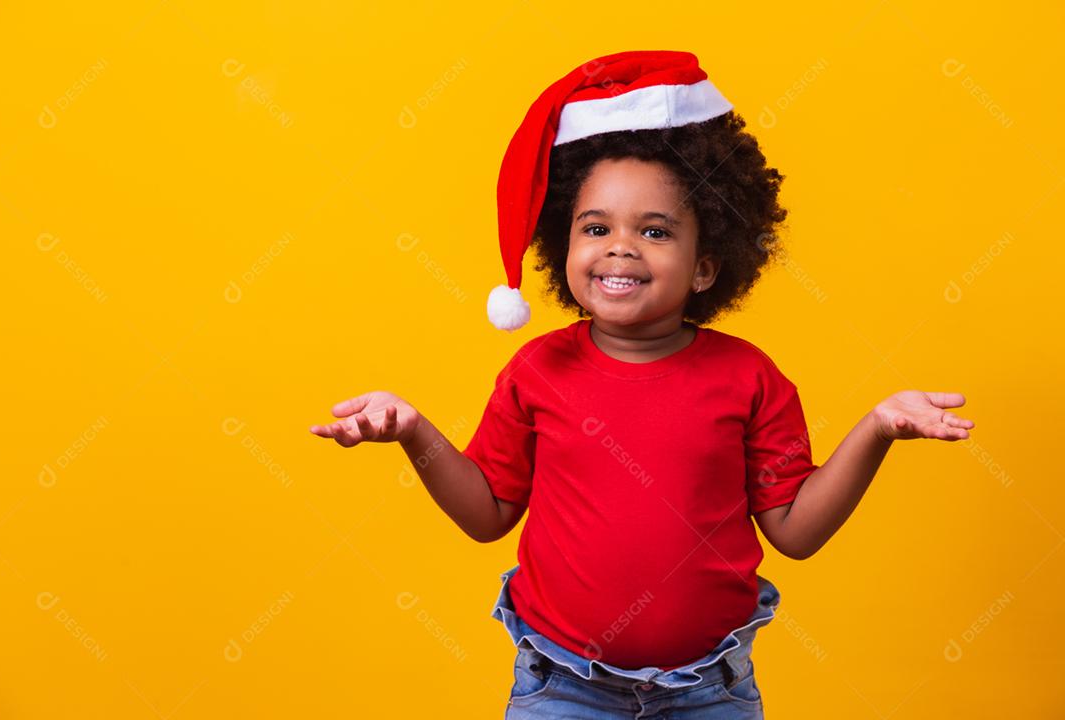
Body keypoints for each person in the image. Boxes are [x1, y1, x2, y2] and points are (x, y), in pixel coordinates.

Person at [309, 50, 975, 719]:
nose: (620, 246)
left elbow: (796, 531)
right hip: (562, 687)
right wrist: (412, 431)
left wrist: (879, 427)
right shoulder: (537, 372)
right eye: (596, 227)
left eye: (654, 231)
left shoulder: (749, 378)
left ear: (707, 265)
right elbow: (487, 515)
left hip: (710, 690)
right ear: (561, 244)